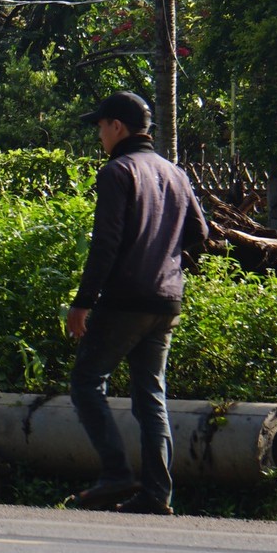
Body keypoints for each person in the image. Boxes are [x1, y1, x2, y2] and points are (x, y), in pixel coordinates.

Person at [66, 90, 209, 516]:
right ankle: (155, 493)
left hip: (126, 299)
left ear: (117, 127)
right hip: (166, 301)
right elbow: (200, 234)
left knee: (86, 382)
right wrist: (168, 265)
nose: (99, 136)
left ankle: (115, 474)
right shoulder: (175, 173)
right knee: (151, 395)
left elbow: (106, 245)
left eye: (101, 126)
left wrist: (82, 302)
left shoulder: (118, 171)